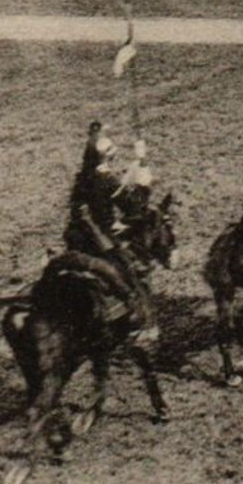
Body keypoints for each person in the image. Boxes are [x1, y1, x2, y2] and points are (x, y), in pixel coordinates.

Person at [62, 121, 157, 335]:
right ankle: (137, 322)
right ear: (106, 157)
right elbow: (135, 206)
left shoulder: (83, 178)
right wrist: (143, 171)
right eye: (112, 155)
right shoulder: (106, 181)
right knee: (133, 270)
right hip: (99, 239)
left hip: (75, 238)